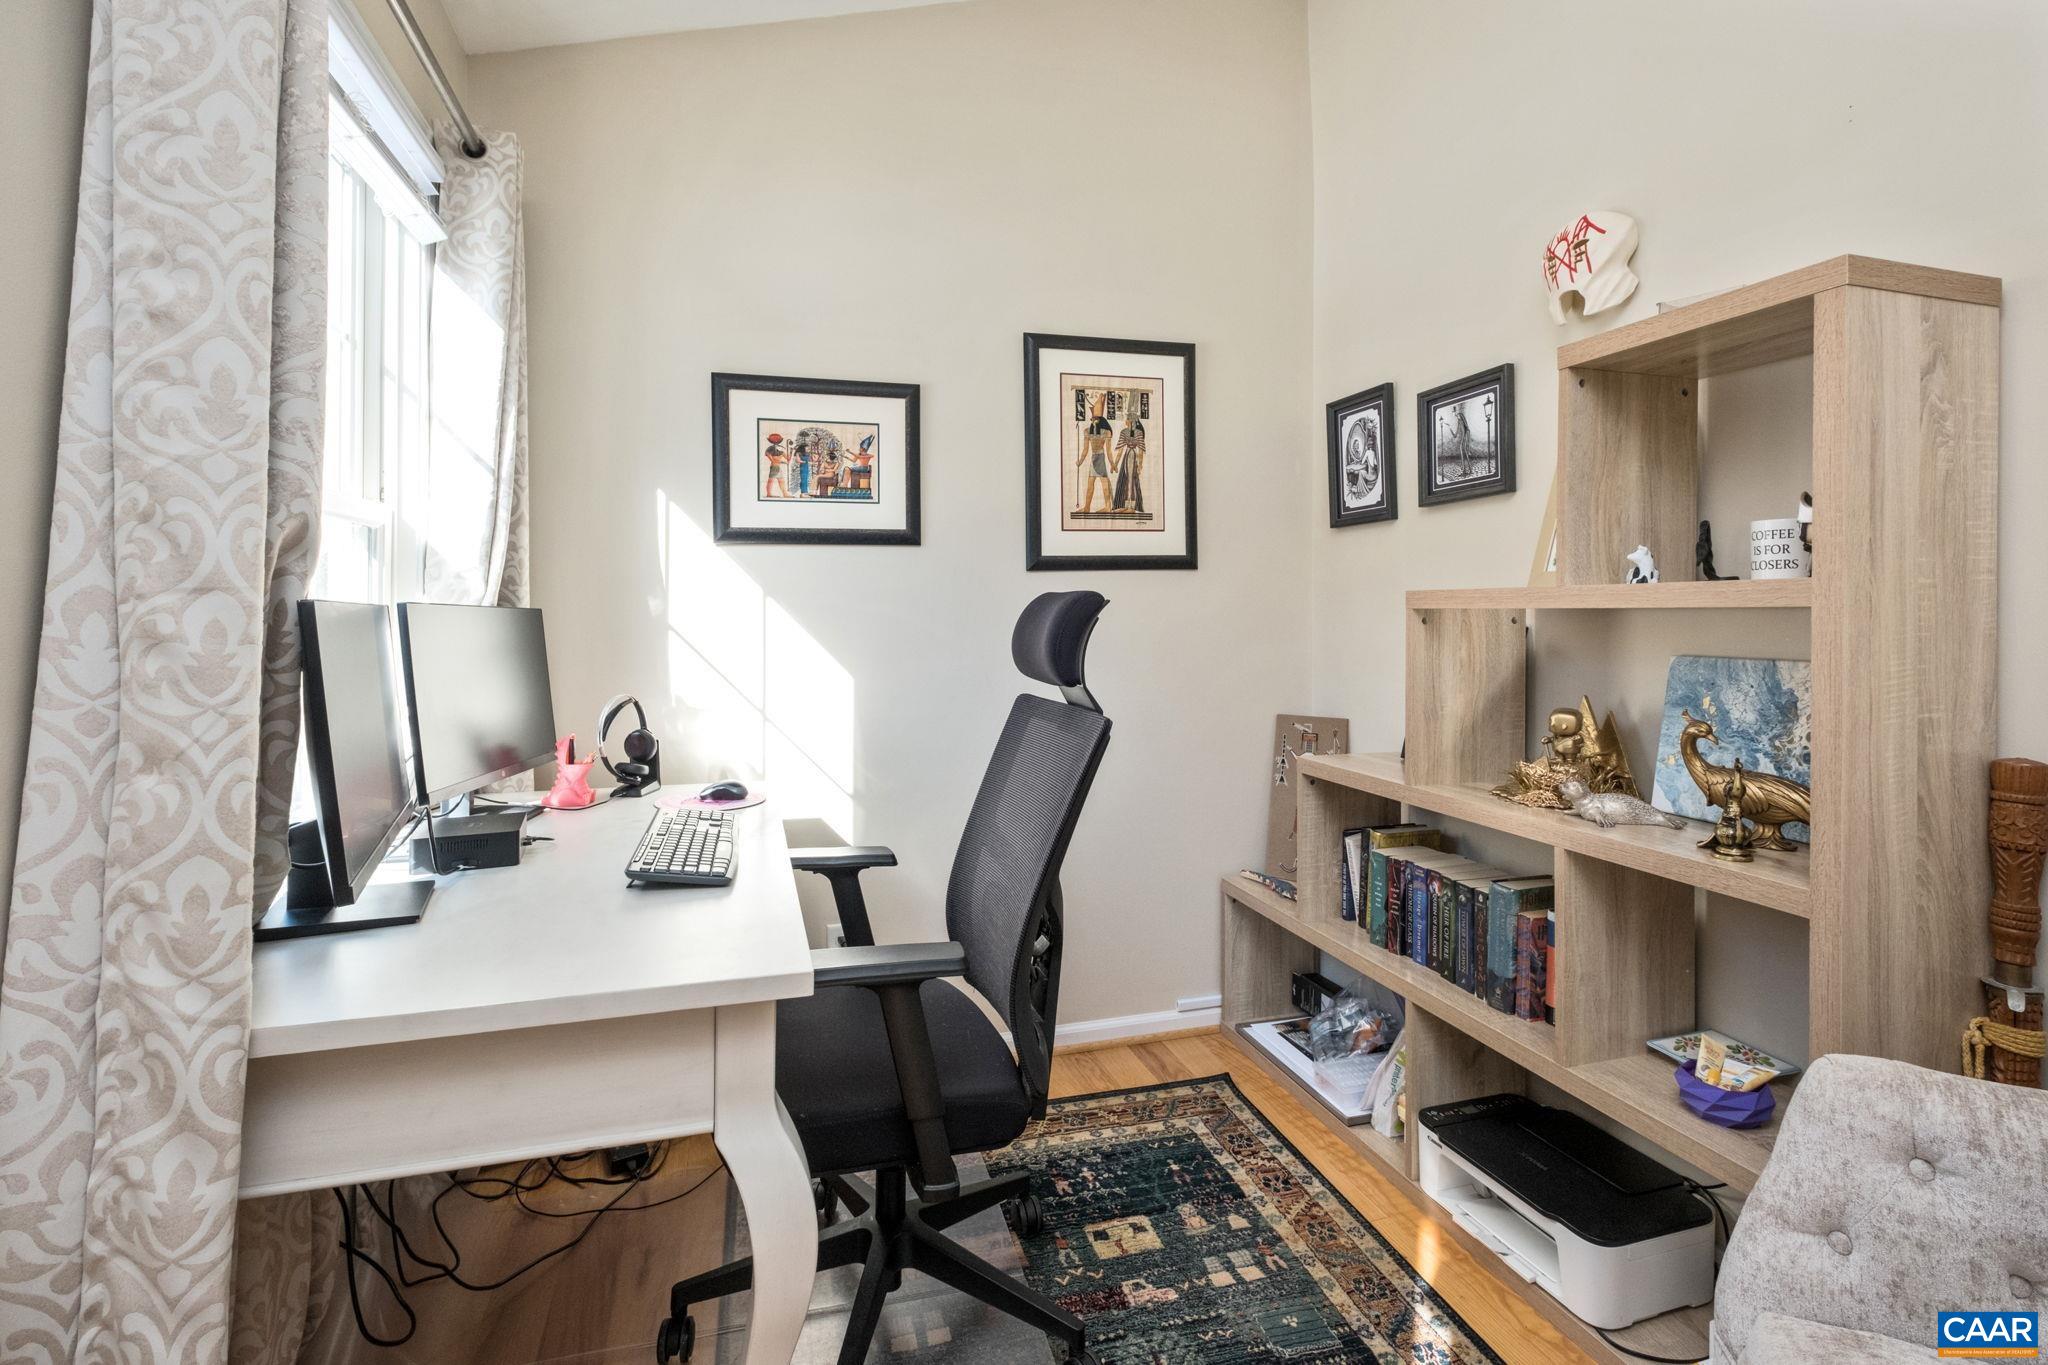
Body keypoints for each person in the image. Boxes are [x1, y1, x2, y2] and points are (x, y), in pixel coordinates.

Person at [1073, 393, 1115, 514]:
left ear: (1100, 420)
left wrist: (1112, 463)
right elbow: (1085, 450)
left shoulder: (1106, 432)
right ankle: (1087, 507)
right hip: (1093, 459)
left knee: (1104, 483)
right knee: (1090, 484)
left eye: (1095, 419)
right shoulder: (1087, 432)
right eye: (1092, 419)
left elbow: (1108, 451)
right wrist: (1080, 461)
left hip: (1100, 458)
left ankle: (1108, 507)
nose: (1093, 421)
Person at [1112, 408, 1147, 514]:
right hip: (1127, 457)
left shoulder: (1139, 433)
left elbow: (1140, 451)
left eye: (1127, 419)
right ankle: (1124, 505)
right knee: (1125, 479)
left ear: (1131, 421)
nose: (1125, 421)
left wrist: (1140, 465)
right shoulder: (1124, 432)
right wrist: (1115, 464)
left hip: (1133, 456)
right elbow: (1120, 451)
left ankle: (1131, 506)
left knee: (1132, 479)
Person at [762, 432, 791, 499]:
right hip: (774, 467)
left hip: (778, 468)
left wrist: (791, 452)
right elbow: (773, 460)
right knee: (771, 480)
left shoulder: (781, 451)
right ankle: (769, 494)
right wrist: (783, 461)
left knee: (781, 481)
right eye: (774, 441)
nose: (776, 443)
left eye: (777, 441)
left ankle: (785, 494)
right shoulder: (770, 449)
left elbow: (788, 458)